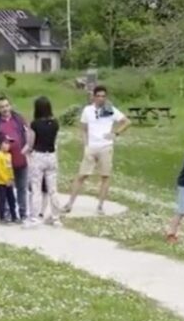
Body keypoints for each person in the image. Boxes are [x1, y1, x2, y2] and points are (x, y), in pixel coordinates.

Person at [64, 85, 129, 215]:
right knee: (82, 175)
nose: (101, 99)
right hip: (91, 147)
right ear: (93, 97)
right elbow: (83, 128)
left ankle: (100, 205)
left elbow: (126, 122)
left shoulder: (110, 110)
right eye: (98, 96)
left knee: (105, 176)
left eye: (103, 96)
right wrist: (85, 144)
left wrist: (116, 133)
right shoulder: (87, 110)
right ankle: (70, 203)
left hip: (106, 146)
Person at [0, 96, 31, 221]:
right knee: (6, 189)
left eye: (6, 106)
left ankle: (23, 213)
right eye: (2, 107)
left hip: (20, 160)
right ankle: (7, 213)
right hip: (4, 163)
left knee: (22, 188)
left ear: (10, 106)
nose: (5, 109)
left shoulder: (19, 119)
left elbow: (28, 134)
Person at [24, 96, 62, 227]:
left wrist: (24, 152)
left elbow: (30, 144)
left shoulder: (35, 124)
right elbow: (55, 141)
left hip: (38, 156)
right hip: (51, 155)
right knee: (53, 189)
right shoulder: (55, 123)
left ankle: (34, 217)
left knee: (36, 187)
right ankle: (56, 217)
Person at [0, 137, 18, 223]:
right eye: (5, 143)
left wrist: (11, 178)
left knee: (12, 199)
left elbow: (10, 168)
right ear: (0, 145)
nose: (7, 146)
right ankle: (2, 217)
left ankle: (14, 216)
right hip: (2, 182)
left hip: (9, 181)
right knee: (2, 199)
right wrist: (6, 179)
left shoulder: (9, 155)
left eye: (8, 144)